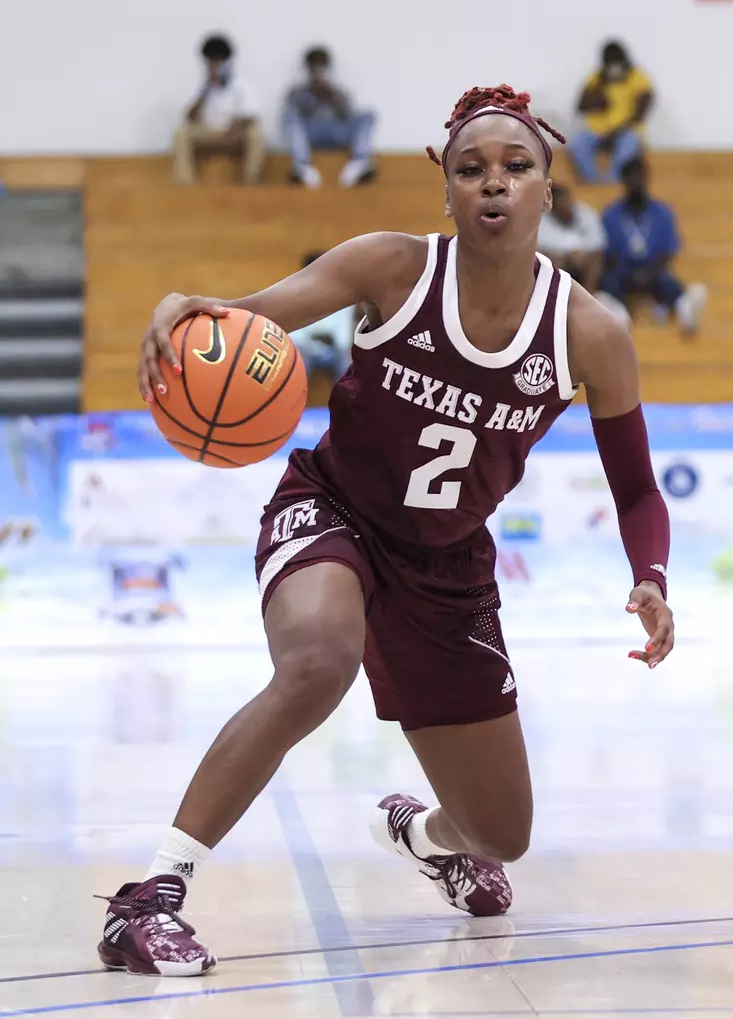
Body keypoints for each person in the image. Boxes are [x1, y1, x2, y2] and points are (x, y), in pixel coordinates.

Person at [101, 84, 674, 977]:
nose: (493, 182)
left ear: (546, 191)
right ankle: (150, 898)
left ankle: (422, 836)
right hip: (334, 511)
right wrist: (184, 306)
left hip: (447, 564)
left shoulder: (588, 332)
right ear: (445, 190)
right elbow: (245, 321)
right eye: (470, 169)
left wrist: (650, 574)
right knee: (316, 665)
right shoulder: (392, 267)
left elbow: (636, 488)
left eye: (515, 167)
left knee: (501, 834)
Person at [599, 157, 707, 334]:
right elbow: (607, 253)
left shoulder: (662, 212)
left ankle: (685, 309)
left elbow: (668, 251)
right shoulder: (611, 214)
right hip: (623, 271)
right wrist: (631, 273)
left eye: (640, 176)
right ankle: (618, 316)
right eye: (632, 177)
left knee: (666, 279)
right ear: (624, 180)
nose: (637, 182)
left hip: (653, 270)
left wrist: (647, 274)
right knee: (609, 281)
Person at [173, 35, 264, 186]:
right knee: (180, 132)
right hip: (210, 131)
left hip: (235, 131)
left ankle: (251, 182)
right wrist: (206, 90)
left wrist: (234, 129)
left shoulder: (241, 84)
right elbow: (189, 116)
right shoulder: (198, 84)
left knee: (255, 134)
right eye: (211, 61)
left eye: (219, 61)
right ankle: (185, 183)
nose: (215, 65)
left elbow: (251, 114)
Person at [284, 47, 376, 189]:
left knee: (368, 116)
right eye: (315, 68)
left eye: (322, 68)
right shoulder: (297, 91)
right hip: (311, 134)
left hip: (338, 133)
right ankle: (302, 167)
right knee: (290, 116)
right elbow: (296, 120)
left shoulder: (338, 91)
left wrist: (332, 98)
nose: (319, 72)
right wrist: (312, 96)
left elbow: (348, 114)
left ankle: (359, 162)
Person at [570, 41, 654, 184]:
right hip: (599, 133)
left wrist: (618, 132)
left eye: (617, 65)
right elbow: (580, 106)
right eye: (610, 66)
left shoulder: (638, 77)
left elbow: (642, 110)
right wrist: (596, 101)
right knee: (578, 141)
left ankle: (614, 182)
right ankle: (592, 182)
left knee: (629, 142)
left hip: (626, 132)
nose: (614, 70)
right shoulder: (596, 78)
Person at [289, 252, 356, 381]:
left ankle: (348, 394)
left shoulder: (344, 298)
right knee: (297, 362)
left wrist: (330, 340)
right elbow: (295, 336)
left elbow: (343, 339)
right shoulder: (294, 296)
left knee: (347, 363)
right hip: (305, 349)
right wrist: (312, 340)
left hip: (333, 351)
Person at [537, 183, 605, 294]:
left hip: (584, 259)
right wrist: (568, 255)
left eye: (567, 202)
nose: (566, 207)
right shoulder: (543, 219)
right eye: (561, 204)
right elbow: (542, 245)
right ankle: (554, 295)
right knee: (551, 259)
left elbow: (598, 243)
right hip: (559, 260)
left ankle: (589, 294)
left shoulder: (585, 213)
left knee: (595, 259)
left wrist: (581, 253)